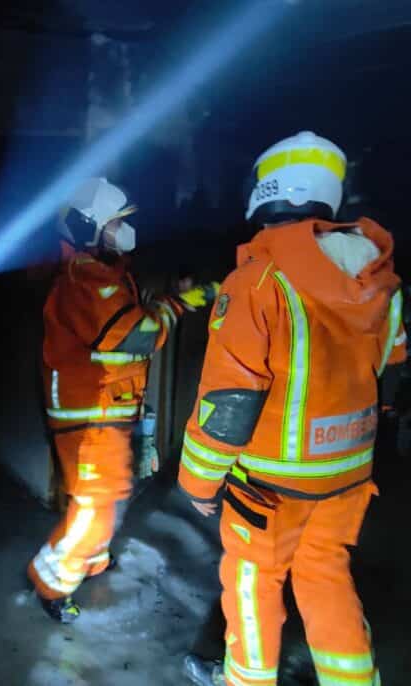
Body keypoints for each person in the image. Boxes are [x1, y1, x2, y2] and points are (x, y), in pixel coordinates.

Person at [180, 131, 404, 686]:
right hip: (347, 474)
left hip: (271, 485)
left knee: (254, 584)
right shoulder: (379, 278)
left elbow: (229, 401)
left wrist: (198, 484)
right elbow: (393, 360)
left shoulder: (256, 280)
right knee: (326, 578)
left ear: (269, 190)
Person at [28, 177, 217, 622]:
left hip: (104, 410)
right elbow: (138, 335)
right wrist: (178, 303)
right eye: (116, 224)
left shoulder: (107, 274)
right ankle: (50, 582)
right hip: (89, 413)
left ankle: (89, 562)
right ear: (89, 228)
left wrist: (173, 297)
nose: (125, 232)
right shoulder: (87, 279)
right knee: (97, 504)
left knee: (98, 497)